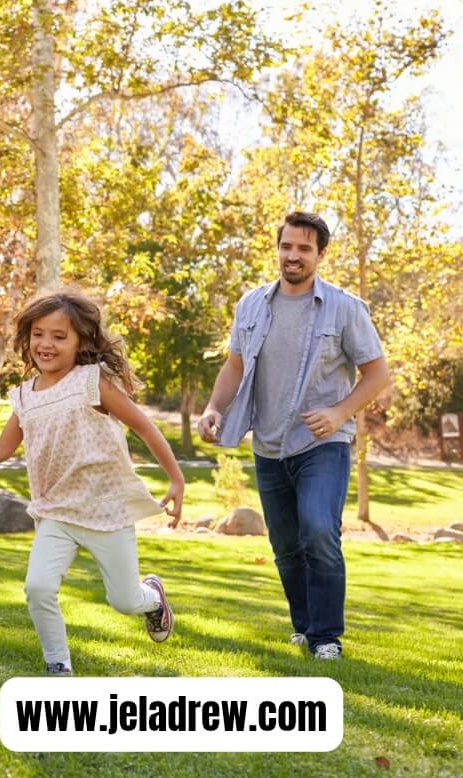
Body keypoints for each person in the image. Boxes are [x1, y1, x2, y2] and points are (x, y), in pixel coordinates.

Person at [0, 290, 183, 675]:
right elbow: (1, 447)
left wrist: (176, 479)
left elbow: (144, 427)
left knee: (124, 601)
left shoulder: (92, 382)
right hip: (55, 512)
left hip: (105, 509)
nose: (46, 344)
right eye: (38, 335)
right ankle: (58, 665)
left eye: (59, 337)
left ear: (81, 341)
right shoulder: (24, 398)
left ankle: (152, 599)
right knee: (39, 588)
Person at [198, 211, 390, 660]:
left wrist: (340, 410)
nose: (293, 255)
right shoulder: (251, 305)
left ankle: (326, 638)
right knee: (285, 545)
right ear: (278, 248)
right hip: (268, 444)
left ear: (320, 255)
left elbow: (378, 374)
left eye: (304, 248)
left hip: (323, 443)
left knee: (320, 530)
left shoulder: (345, 307)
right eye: (287, 246)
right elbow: (235, 365)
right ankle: (304, 627)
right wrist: (213, 408)